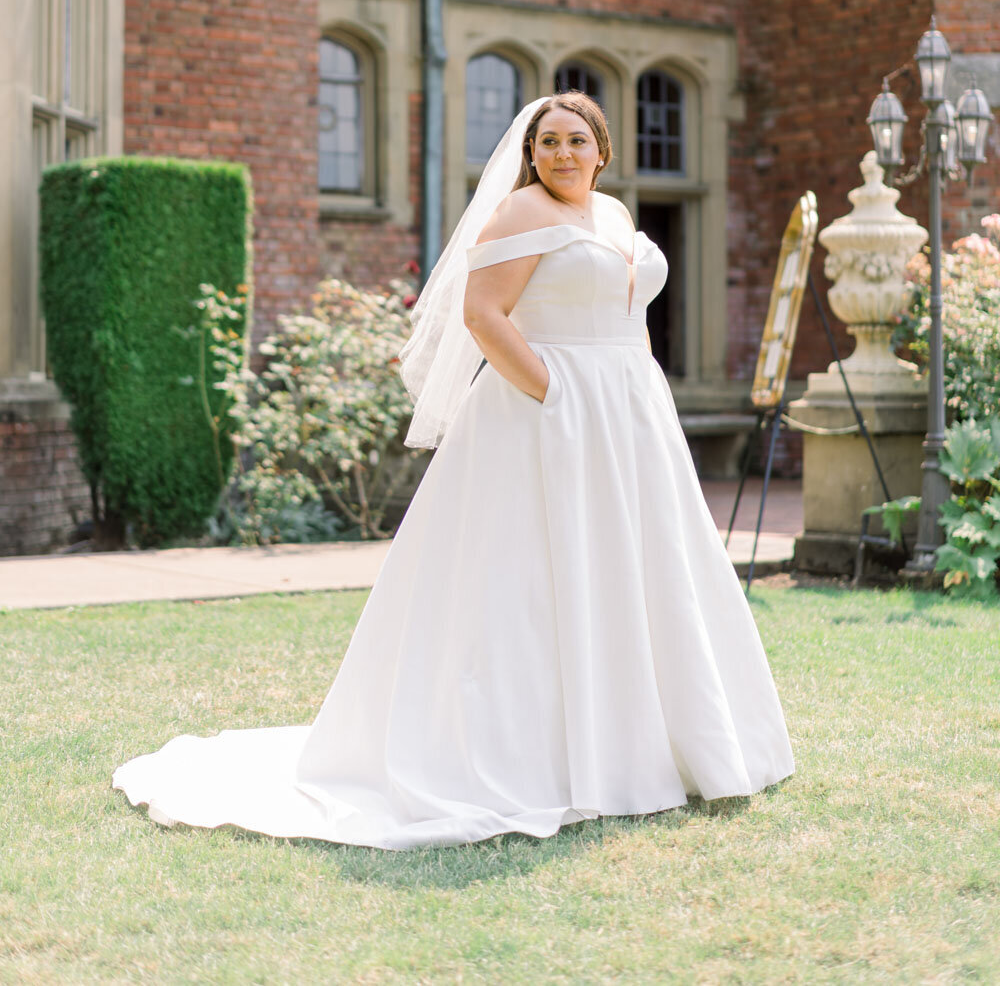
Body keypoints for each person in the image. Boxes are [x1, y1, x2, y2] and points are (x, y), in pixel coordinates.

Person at [113, 93, 794, 849]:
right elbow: (483, 316)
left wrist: (628, 393)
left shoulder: (612, 215)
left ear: (602, 149)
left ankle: (655, 741)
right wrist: (555, 390)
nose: (562, 154)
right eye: (547, 143)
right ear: (529, 154)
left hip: (631, 417)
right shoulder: (520, 214)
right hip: (547, 416)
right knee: (530, 581)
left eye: (576, 140)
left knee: (636, 570)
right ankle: (531, 758)